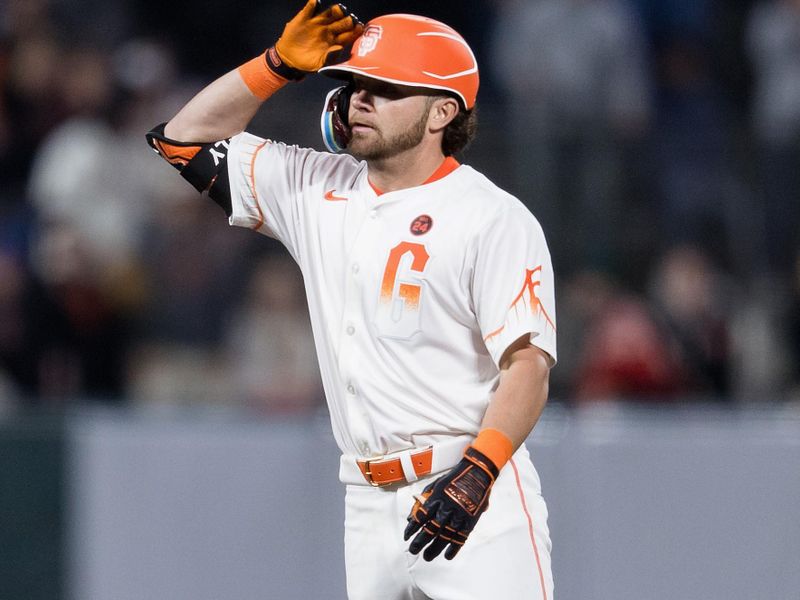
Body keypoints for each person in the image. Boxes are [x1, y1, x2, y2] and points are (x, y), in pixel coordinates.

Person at [146, 2, 556, 598]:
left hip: (468, 486)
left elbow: (528, 366)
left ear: (444, 110)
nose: (360, 99)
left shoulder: (492, 217)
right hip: (364, 500)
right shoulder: (315, 184)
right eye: (355, 84)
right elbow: (180, 140)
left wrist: (480, 472)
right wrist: (276, 65)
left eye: (385, 88)